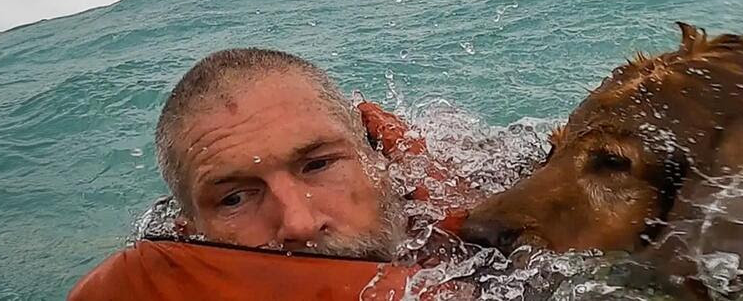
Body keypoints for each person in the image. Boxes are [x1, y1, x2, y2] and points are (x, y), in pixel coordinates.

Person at [69, 49, 471, 301]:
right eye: (235, 199)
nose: (299, 224)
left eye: (319, 165)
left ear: (378, 159)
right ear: (189, 231)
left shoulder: (486, 215)